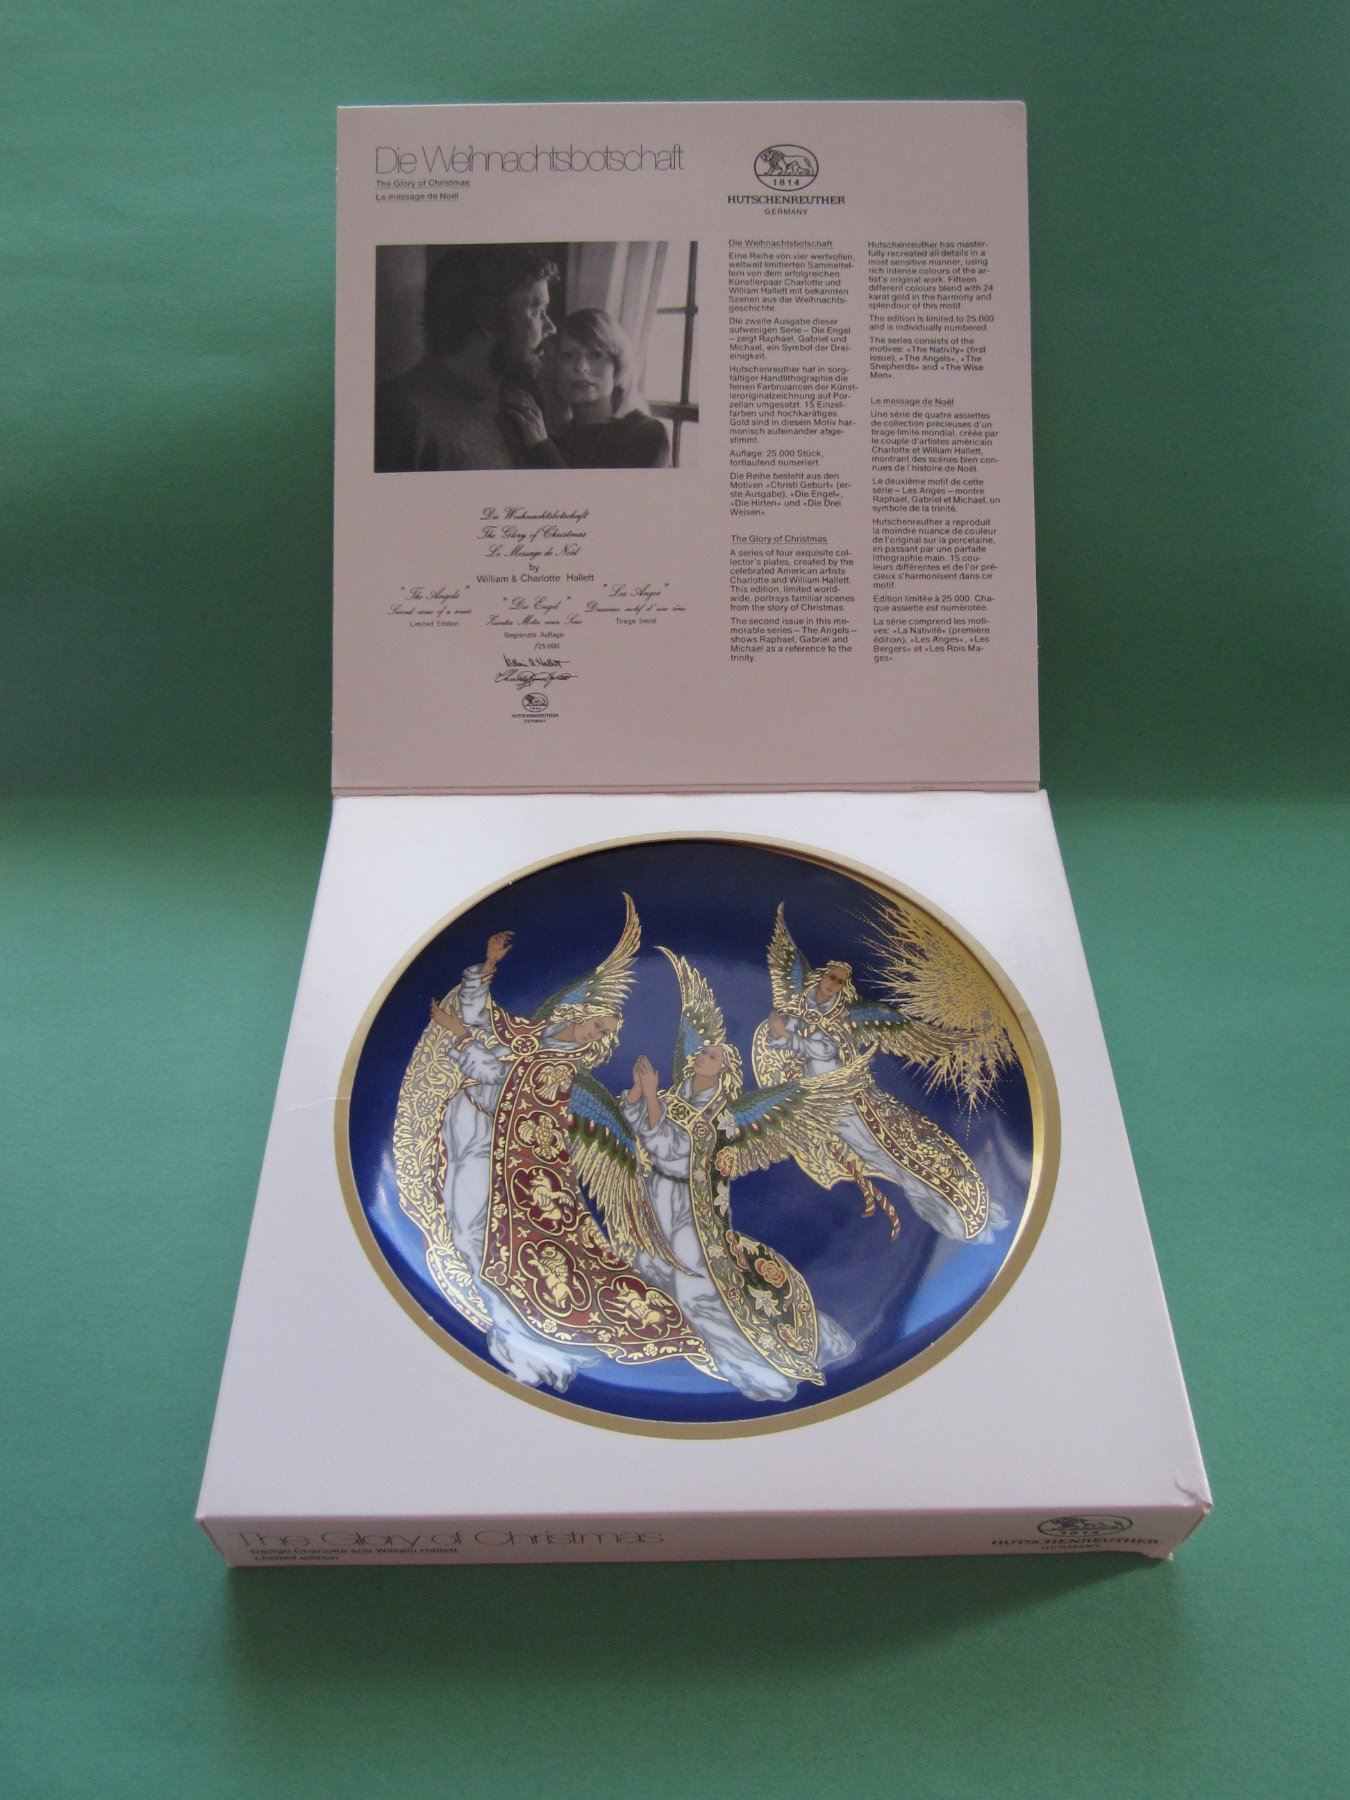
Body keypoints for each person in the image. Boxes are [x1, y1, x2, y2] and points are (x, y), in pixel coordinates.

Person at [429, 907, 719, 1393]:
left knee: (472, 1231)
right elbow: (484, 1017)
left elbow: (494, 1074)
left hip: (503, 1160)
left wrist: (459, 1037)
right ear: (582, 1014)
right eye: (597, 1023)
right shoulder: (531, 1035)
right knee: (461, 1227)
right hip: (468, 1127)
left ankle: (515, 1332)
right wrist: (489, 963)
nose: (595, 1032)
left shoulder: (559, 1070)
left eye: (603, 1033)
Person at [616, 951, 858, 1401]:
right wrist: (638, 1091)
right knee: (651, 1273)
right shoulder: (676, 1096)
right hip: (655, 1200)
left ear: (723, 1071)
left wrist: (649, 1096)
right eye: (702, 1052)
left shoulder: (720, 1120)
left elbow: (673, 1153)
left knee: (696, 1294)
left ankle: (756, 1373)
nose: (700, 1056)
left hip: (693, 1214)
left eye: (710, 1054)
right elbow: (637, 1124)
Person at [755, 907, 1007, 1245]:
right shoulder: (796, 1003)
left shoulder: (846, 1018)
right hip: (821, 1100)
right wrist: (784, 1038)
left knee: (887, 1149)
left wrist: (789, 1039)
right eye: (831, 977)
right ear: (821, 976)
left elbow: (824, 1049)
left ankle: (957, 1207)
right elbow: (778, 1035)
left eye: (840, 982)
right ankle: (942, 1207)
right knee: (875, 1157)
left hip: (850, 1098)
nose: (833, 984)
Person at [374, 245, 562, 472]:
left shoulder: (521, 405)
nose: (552, 328)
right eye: (538, 312)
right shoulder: (398, 416)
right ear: (486, 320)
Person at [504, 308, 671, 469]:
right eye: (568, 355)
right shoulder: (551, 434)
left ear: (617, 367)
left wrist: (542, 447)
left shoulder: (647, 434)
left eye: (596, 355)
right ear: (555, 367)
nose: (581, 367)